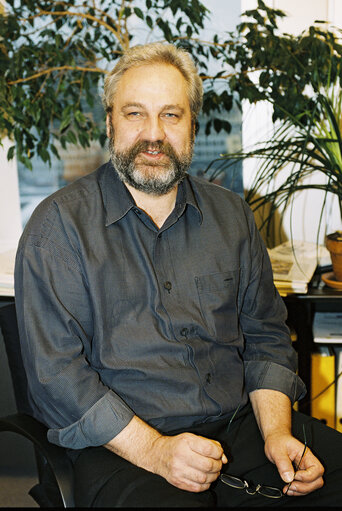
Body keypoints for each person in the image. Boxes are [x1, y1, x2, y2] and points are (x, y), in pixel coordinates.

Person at [15, 42, 342, 507]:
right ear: (110, 122)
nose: (153, 134)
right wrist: (157, 452)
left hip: (243, 427)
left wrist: (277, 433)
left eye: (171, 114)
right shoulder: (58, 229)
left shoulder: (232, 216)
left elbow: (266, 335)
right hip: (124, 447)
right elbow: (57, 378)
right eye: (134, 114)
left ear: (192, 124)